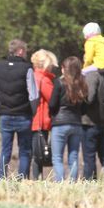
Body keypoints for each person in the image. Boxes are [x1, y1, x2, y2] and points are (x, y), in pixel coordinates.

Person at [0, 39, 39, 179]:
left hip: (5, 115)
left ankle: (1, 178)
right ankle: (22, 179)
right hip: (23, 115)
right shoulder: (27, 68)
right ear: (20, 51)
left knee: (5, 150)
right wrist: (33, 111)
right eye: (25, 51)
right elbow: (33, 95)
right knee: (24, 151)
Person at [48, 57, 87, 182]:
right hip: (76, 123)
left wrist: (53, 115)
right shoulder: (82, 84)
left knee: (57, 157)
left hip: (60, 124)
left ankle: (59, 184)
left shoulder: (59, 83)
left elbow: (52, 104)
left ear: (65, 69)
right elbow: (85, 107)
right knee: (73, 157)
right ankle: (72, 184)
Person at [81, 68, 104, 180]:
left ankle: (89, 181)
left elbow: (89, 98)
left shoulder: (92, 75)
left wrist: (80, 105)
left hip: (90, 122)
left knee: (89, 156)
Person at [30, 49, 58, 179]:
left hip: (32, 120)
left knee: (35, 152)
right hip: (42, 120)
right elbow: (53, 98)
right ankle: (37, 178)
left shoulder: (32, 76)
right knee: (40, 153)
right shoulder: (44, 79)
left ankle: (35, 178)